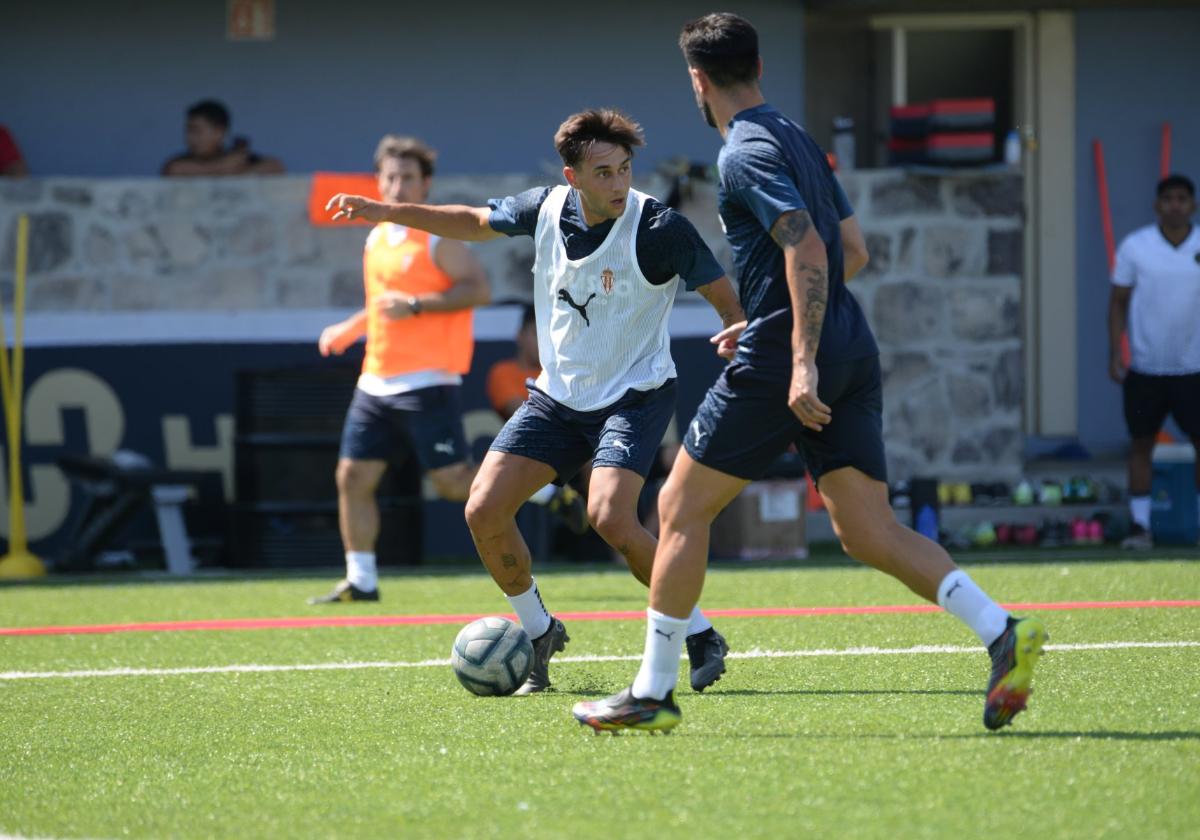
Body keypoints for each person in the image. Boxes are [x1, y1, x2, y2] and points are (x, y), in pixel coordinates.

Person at [573, 13, 1047, 733]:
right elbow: (851, 247)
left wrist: (795, 356)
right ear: (757, 66)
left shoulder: (742, 154)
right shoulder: (796, 136)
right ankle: (1000, 630)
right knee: (866, 530)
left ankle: (653, 690)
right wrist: (769, 314)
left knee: (678, 509)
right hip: (850, 345)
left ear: (698, 81)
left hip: (791, 361)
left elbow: (813, 254)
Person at [327, 109, 745, 695]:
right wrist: (386, 212)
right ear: (573, 177)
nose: (619, 183)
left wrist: (736, 332)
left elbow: (727, 299)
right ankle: (539, 629)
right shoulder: (543, 207)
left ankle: (699, 633)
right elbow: (471, 220)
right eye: (603, 172)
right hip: (558, 398)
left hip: (635, 395)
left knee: (610, 516)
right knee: (482, 510)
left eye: (625, 169)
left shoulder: (660, 227)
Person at [309, 136, 584, 604]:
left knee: (453, 482)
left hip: (428, 381)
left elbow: (477, 289)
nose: (397, 186)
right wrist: (352, 327)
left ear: (425, 183)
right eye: (390, 177)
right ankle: (361, 580)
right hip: (375, 379)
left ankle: (546, 495)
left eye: (408, 178)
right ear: (379, 181)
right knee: (352, 477)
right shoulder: (377, 236)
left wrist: (417, 305)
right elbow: (382, 304)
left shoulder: (437, 235)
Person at [1108, 174, 1200, 549]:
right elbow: (1118, 301)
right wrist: (1116, 351)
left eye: (1182, 198)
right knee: (1141, 444)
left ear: (1192, 205)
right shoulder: (1136, 247)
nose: (1175, 205)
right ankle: (1140, 528)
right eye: (1168, 198)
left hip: (1194, 367)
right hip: (1146, 367)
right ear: (1156, 205)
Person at [161, 99, 284, 176]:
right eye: (188, 130)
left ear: (219, 132)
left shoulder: (239, 159)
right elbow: (174, 170)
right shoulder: (180, 162)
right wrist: (226, 167)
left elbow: (275, 166)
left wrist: (236, 172)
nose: (189, 137)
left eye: (196, 131)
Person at [486, 305, 540, 421]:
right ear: (520, 335)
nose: (543, 343)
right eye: (536, 334)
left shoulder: (561, 376)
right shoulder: (503, 372)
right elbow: (523, 414)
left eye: (549, 336)